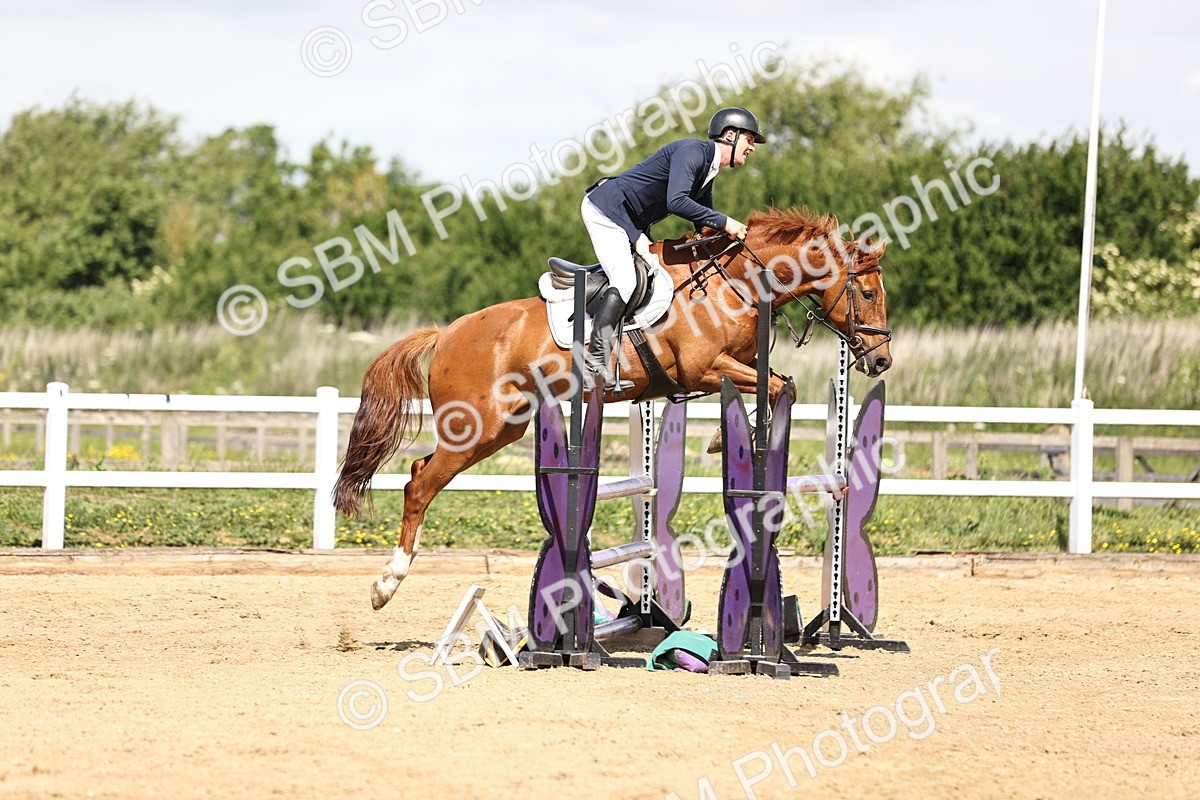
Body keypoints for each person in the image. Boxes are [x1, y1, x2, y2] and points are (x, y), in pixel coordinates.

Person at [580, 106, 766, 388]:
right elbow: (676, 201)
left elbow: (703, 221)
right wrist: (727, 222)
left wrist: (732, 240)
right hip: (607, 210)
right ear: (730, 135)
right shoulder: (692, 152)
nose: (752, 148)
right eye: (750, 140)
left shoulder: (708, 170)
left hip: (631, 221)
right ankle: (594, 361)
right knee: (626, 281)